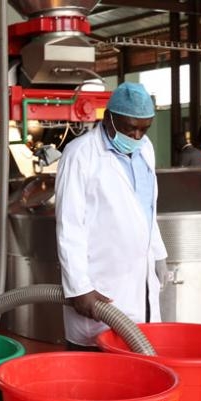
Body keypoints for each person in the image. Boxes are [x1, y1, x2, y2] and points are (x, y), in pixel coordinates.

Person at [55, 81, 169, 350]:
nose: (138, 136)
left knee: (138, 366)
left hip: (139, 286)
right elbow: (70, 226)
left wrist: (159, 254)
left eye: (145, 129)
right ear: (109, 118)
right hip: (100, 286)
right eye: (131, 128)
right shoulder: (80, 154)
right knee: (98, 375)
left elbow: (147, 210)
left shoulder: (145, 149)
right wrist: (79, 288)